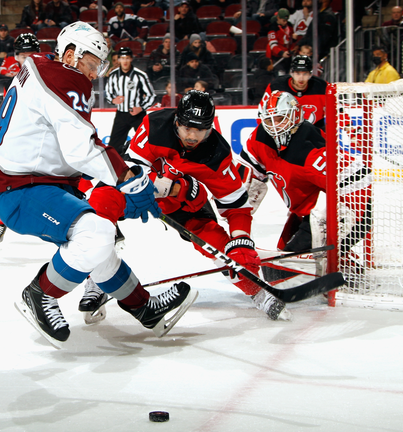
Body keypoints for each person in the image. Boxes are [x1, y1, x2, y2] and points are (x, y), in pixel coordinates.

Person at [0, 21, 197, 347]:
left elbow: (45, 135)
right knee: (95, 233)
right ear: (71, 54)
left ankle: (143, 307)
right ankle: (40, 293)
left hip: (36, 179)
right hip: (22, 188)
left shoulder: (38, 66)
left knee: (99, 239)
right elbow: (81, 146)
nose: (95, 73)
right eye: (92, 63)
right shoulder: (65, 78)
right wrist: (127, 178)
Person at [124, 90, 291, 321]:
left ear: (210, 127)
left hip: (184, 205)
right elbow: (128, 170)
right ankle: (98, 280)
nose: (193, 136)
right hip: (137, 192)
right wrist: (152, 185)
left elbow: (236, 206)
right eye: (187, 129)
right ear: (176, 121)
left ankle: (258, 292)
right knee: (103, 202)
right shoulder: (155, 125)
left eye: (200, 130)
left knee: (220, 246)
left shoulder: (217, 153)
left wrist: (241, 240)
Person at [239, 90, 368, 274]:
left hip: (335, 217)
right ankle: (341, 261)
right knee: (280, 264)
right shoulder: (259, 138)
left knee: (280, 272)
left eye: (281, 118)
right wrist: (237, 225)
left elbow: (361, 185)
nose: (274, 127)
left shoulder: (312, 151)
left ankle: (344, 265)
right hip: (303, 214)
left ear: (295, 116)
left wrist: (332, 233)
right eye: (269, 120)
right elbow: (250, 182)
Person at [0, 33, 44, 252]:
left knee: (67, 183)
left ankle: (91, 224)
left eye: (30, 55)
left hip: (45, 143)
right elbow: (5, 119)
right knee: (1, 177)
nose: (26, 59)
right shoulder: (13, 83)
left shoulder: (48, 76)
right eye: (22, 55)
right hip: (21, 142)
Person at [104, 46, 157, 156]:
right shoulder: (113, 75)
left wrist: (141, 108)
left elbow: (151, 95)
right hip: (121, 114)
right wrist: (113, 100)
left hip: (138, 115)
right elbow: (108, 93)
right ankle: (115, 169)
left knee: (147, 142)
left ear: (131, 59)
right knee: (114, 145)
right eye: (122, 58)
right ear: (118, 59)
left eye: (127, 58)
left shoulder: (140, 75)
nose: (125, 61)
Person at [264, 54, 328, 130]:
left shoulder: (322, 87)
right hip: (286, 133)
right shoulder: (276, 86)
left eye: (305, 73)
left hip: (315, 133)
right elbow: (263, 112)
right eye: (298, 73)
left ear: (310, 74)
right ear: (292, 73)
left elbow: (338, 109)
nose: (301, 78)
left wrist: (346, 124)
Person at [266, 8, 295, 76]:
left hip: (288, 56)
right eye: (284, 20)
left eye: (287, 20)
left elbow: (290, 40)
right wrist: (282, 53)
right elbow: (273, 45)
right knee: (281, 76)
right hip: (278, 57)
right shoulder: (272, 28)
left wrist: (294, 41)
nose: (286, 22)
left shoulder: (289, 26)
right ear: (278, 18)